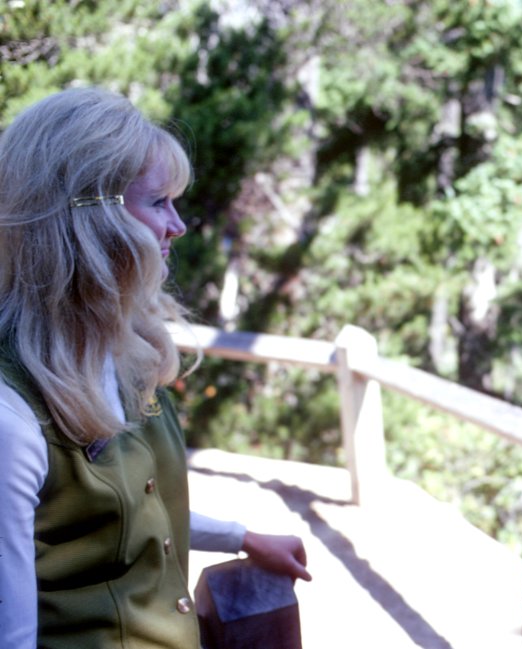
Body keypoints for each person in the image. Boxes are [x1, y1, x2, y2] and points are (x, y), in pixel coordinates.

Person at [0, 87, 312, 649]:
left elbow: (130, 517)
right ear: (91, 222)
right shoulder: (9, 413)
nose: (178, 225)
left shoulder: (119, 351)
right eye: (158, 202)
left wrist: (240, 537)